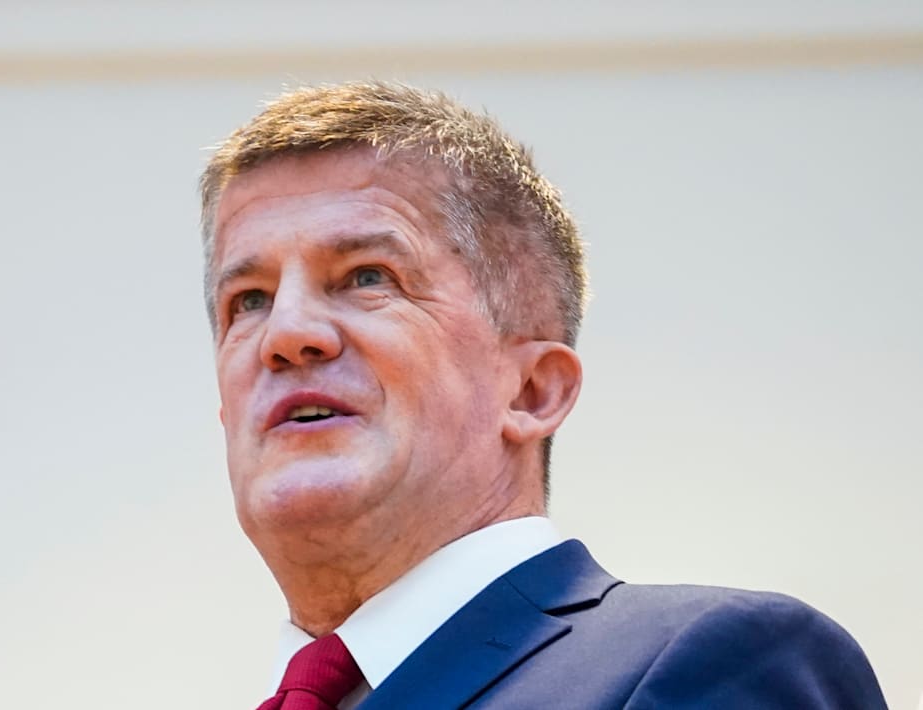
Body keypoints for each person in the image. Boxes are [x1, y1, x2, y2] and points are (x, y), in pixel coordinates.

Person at [198, 81, 886, 709]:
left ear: (531, 391)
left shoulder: (718, 662)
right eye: (249, 300)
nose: (285, 333)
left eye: (367, 276)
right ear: (226, 413)